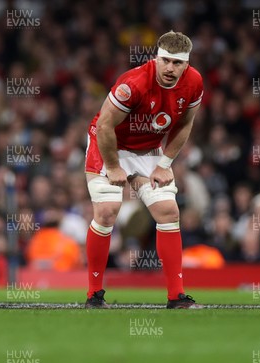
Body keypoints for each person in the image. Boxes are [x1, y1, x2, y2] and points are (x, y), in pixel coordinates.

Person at [84, 31, 204, 308]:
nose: (170, 68)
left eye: (177, 63)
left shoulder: (195, 82)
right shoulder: (133, 83)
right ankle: (94, 295)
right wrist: (114, 166)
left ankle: (176, 297)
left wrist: (164, 164)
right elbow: (104, 125)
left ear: (187, 64)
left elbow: (185, 123)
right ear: (156, 58)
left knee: (169, 212)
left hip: (148, 149)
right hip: (109, 144)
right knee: (107, 211)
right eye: (166, 61)